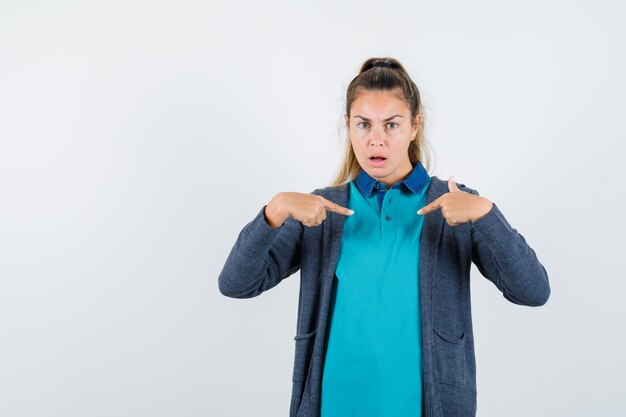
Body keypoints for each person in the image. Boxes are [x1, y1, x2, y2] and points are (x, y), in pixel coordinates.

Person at [218, 57, 551, 417]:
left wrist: (488, 217)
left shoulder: (453, 205)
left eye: (391, 125)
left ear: (414, 126)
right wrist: (275, 210)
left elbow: (533, 291)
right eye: (364, 125)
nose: (376, 139)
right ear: (348, 126)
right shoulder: (322, 210)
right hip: (333, 405)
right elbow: (236, 284)